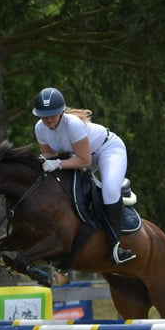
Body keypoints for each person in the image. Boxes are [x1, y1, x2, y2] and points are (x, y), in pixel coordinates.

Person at [33, 86, 136, 264]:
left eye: (52, 114)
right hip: (79, 156)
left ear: (61, 112)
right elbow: (49, 154)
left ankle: (116, 247)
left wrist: (56, 163)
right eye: (44, 115)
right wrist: (41, 161)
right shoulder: (39, 128)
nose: (48, 119)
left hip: (107, 150)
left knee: (110, 191)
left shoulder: (73, 124)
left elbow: (84, 161)